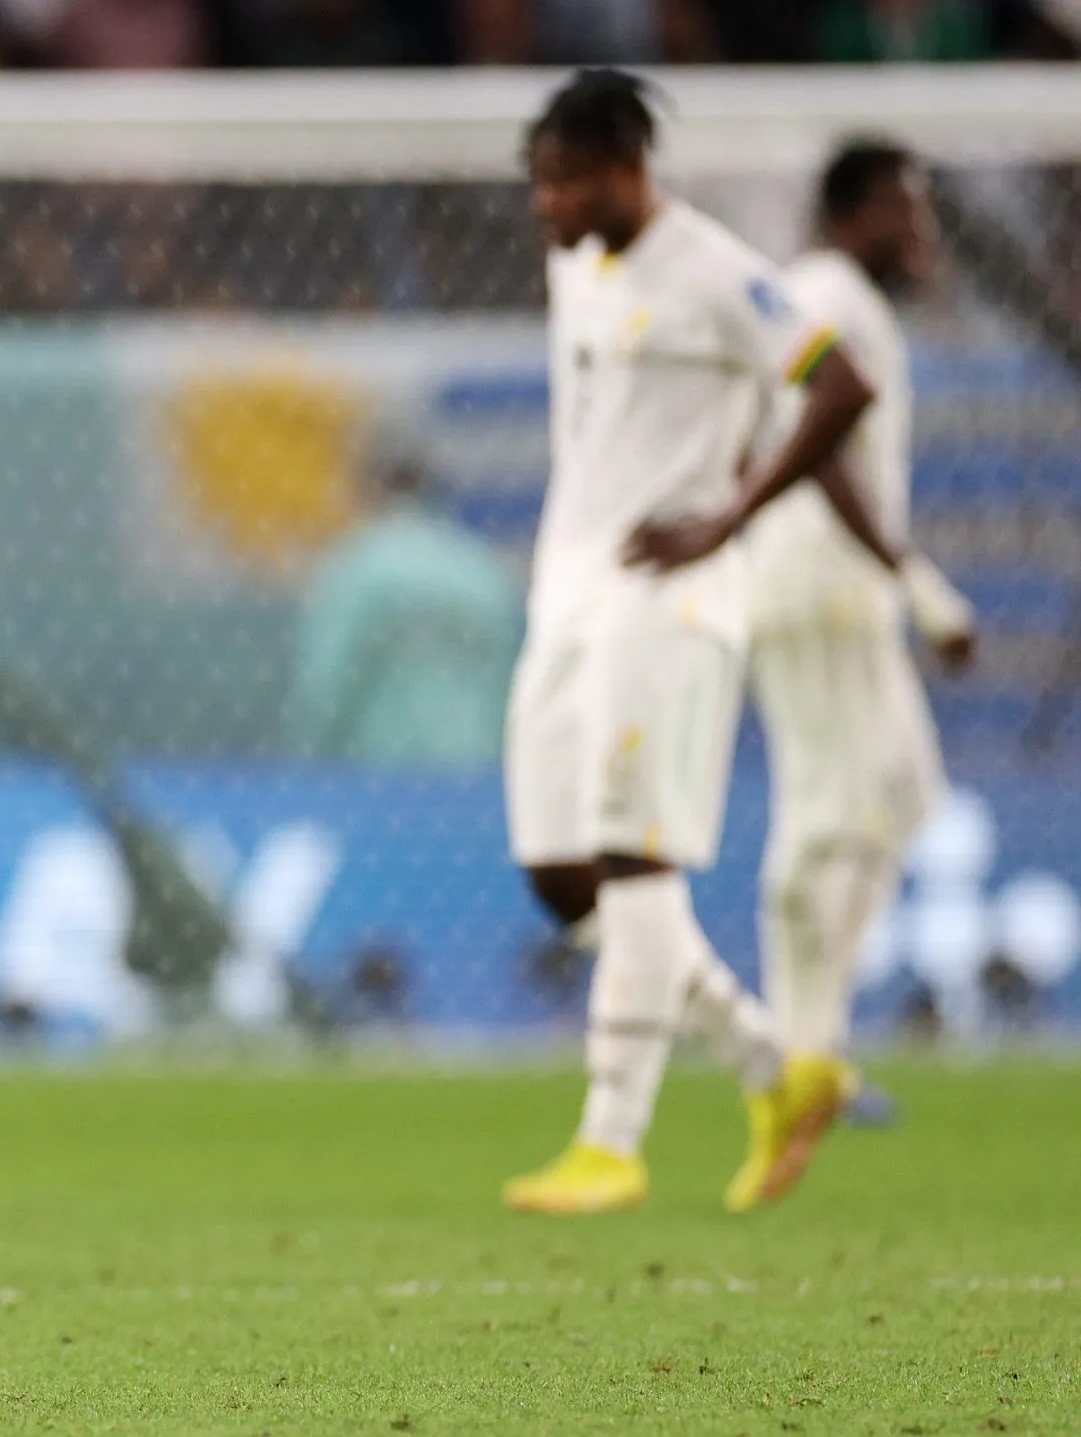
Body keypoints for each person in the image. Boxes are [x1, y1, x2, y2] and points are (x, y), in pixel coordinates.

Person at [498, 70, 884, 1217]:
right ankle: (773, 1069)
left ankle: (610, 1139)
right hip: (566, 594)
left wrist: (730, 513)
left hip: (669, 601)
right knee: (560, 874)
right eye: (540, 184)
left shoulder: (720, 274)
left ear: (626, 168)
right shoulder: (577, 267)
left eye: (564, 181)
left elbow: (838, 383)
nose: (546, 205)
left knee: (633, 856)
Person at [626, 140, 978, 1123]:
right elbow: (807, 439)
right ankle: (797, 1058)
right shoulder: (824, 291)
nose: (921, 234)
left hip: (839, 584)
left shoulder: (840, 298)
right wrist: (914, 578)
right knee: (830, 809)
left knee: (898, 797)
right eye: (905, 211)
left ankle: (817, 1047)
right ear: (852, 211)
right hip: (815, 581)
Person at [286, 430, 521, 768]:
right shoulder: (481, 570)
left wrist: (312, 770)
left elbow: (326, 689)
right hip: (475, 778)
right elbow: (509, 686)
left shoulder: (356, 568)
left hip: (382, 780)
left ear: (368, 489)